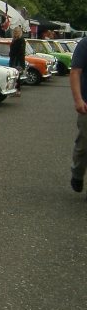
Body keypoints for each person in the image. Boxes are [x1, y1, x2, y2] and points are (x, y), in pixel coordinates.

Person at [69, 36, 87, 194]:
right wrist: (78, 100)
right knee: (83, 146)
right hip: (86, 104)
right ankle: (77, 174)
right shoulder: (85, 44)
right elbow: (75, 72)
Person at [9, 26, 26, 97]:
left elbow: (21, 51)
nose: (16, 33)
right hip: (13, 59)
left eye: (17, 32)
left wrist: (14, 55)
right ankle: (13, 90)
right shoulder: (14, 40)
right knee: (13, 76)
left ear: (20, 32)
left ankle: (18, 90)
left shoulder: (21, 40)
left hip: (18, 60)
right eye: (15, 32)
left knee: (17, 76)